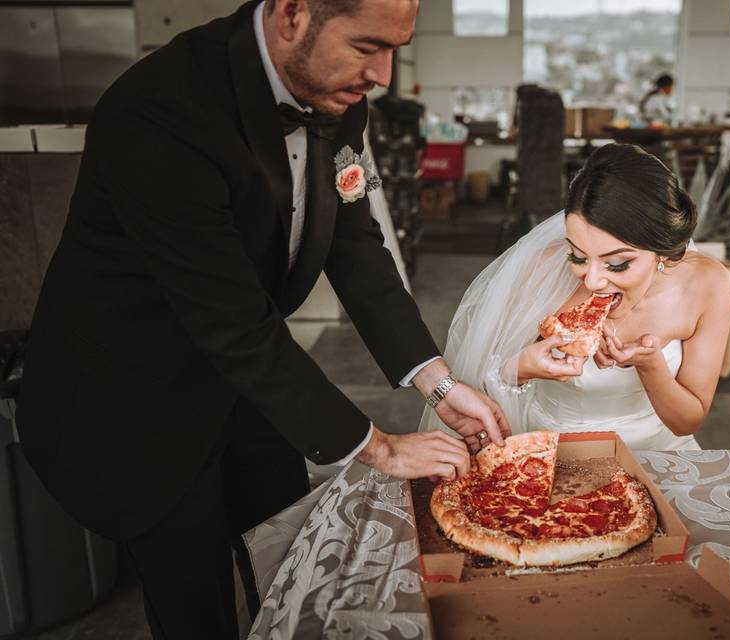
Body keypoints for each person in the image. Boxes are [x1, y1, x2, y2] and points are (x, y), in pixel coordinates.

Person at [16, 1, 509, 638]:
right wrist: (380, 448)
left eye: (396, 49)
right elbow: (231, 321)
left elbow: (354, 245)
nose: (383, 75)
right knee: (196, 603)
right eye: (366, 47)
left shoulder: (337, 91)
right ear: (292, 14)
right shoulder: (160, 110)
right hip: (136, 391)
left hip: (251, 377)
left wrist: (438, 384)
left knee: (287, 550)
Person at [421, 144, 730, 451]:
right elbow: (479, 384)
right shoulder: (541, 269)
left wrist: (650, 366)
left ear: (660, 250)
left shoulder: (707, 283)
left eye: (617, 264)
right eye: (578, 256)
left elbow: (687, 422)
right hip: (552, 455)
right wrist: (520, 367)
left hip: (659, 455)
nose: (594, 280)